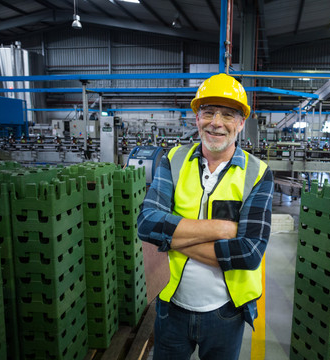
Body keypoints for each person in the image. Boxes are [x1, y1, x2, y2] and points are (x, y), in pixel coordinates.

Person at [138, 73, 274, 360]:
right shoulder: (173, 160)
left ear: (240, 123)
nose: (216, 122)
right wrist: (223, 228)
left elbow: (249, 252)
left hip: (226, 312)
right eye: (208, 112)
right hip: (171, 305)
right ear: (196, 118)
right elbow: (147, 223)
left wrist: (172, 239)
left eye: (227, 114)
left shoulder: (257, 173)